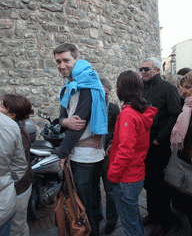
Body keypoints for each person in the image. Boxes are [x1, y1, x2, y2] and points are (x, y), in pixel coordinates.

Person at [53, 43, 108, 236]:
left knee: (87, 203)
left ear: (77, 60)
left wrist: (62, 153)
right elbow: (62, 115)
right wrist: (63, 122)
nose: (61, 65)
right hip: (80, 155)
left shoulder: (86, 86)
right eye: (58, 61)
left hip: (87, 157)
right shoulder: (70, 85)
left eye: (66, 60)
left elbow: (78, 125)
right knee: (88, 200)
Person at [107, 70, 158, 236]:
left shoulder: (128, 114)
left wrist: (113, 174)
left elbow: (126, 151)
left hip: (127, 177)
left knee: (130, 225)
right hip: (136, 173)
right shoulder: (138, 110)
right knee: (133, 217)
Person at [140, 57, 182, 236]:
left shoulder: (168, 88)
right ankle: (153, 213)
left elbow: (175, 114)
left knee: (160, 184)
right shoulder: (141, 89)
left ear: (157, 70)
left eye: (146, 69)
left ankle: (164, 221)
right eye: (141, 69)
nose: (143, 72)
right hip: (144, 145)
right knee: (149, 182)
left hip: (159, 145)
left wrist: (159, 138)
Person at [0, 94, 34, 236]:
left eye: (2, 106)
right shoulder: (14, 130)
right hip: (18, 186)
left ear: (12, 115)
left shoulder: (15, 133)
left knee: (16, 228)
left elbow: (18, 167)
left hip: (18, 189)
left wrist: (8, 182)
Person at [170, 71, 192, 232]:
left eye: (188, 88)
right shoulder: (186, 108)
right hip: (185, 165)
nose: (183, 91)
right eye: (182, 87)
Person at [99, 78, 120, 234]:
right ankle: (98, 216)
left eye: (105, 91)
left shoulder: (113, 108)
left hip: (107, 155)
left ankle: (112, 220)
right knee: (94, 189)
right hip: (92, 155)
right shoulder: (89, 107)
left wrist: (111, 143)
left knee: (110, 190)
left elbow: (118, 132)